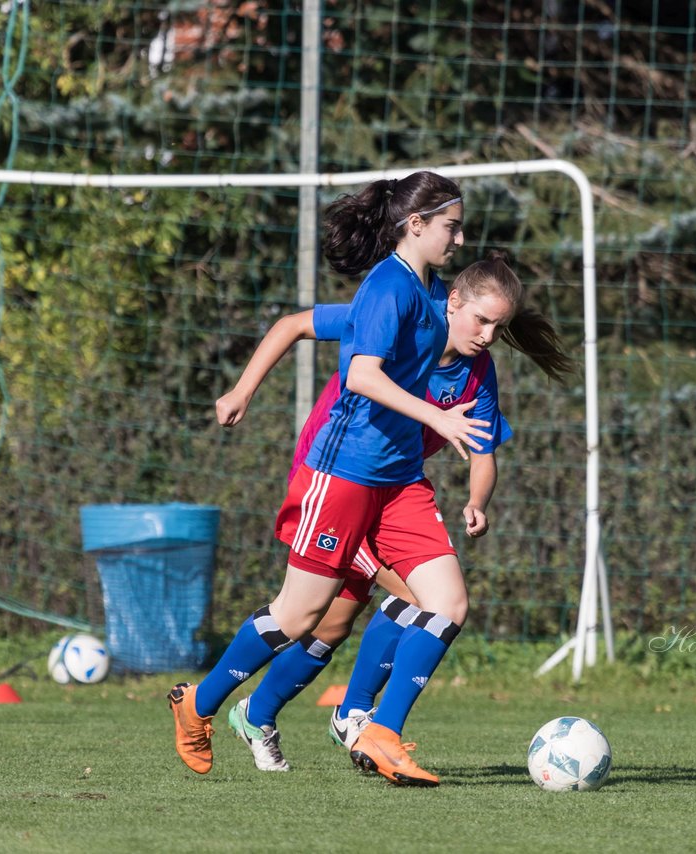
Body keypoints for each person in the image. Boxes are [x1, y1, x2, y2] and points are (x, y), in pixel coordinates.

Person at [170, 170, 489, 787]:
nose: (459, 237)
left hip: (398, 482)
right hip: (341, 474)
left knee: (447, 603)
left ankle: (380, 731)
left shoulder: (432, 293)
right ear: (416, 225)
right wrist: (437, 417)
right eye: (451, 226)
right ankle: (199, 704)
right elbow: (363, 376)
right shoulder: (386, 291)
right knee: (299, 617)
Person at [213, 256, 572, 772]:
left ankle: (259, 711)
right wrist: (242, 389)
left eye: (500, 326)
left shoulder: (476, 371)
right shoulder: (400, 314)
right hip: (339, 474)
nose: (490, 335)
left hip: (389, 490)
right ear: (454, 302)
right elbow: (294, 324)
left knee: (332, 625)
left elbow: (484, 449)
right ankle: (355, 714)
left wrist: (477, 501)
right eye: (482, 321)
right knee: (419, 598)